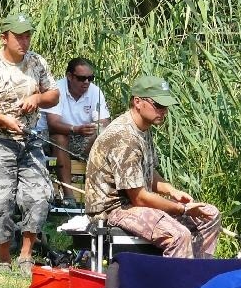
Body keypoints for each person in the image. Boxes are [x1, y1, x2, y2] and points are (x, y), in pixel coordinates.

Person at [84, 76, 221, 258]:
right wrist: (182, 209)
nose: (163, 111)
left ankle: (198, 273)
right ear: (138, 102)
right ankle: (174, 284)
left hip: (133, 204)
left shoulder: (143, 129)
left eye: (165, 106)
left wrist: (171, 191)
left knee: (210, 215)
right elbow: (139, 198)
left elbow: (149, 173)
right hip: (113, 211)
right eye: (158, 105)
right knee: (178, 235)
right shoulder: (124, 137)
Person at [0, 12, 59, 275]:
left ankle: (26, 255)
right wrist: (3, 120)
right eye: (18, 36)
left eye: (27, 35)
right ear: (4, 38)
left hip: (29, 140)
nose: (24, 40)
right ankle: (3, 258)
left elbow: (53, 94)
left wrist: (37, 99)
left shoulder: (37, 62)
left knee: (39, 195)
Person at [42, 57, 110, 207]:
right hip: (51, 139)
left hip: (81, 139)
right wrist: (75, 129)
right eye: (81, 78)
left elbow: (104, 122)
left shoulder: (94, 91)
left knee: (105, 134)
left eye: (90, 78)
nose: (86, 82)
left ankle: (102, 194)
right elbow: (53, 124)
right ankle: (69, 196)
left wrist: (94, 127)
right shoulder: (56, 90)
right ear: (70, 76)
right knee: (60, 137)